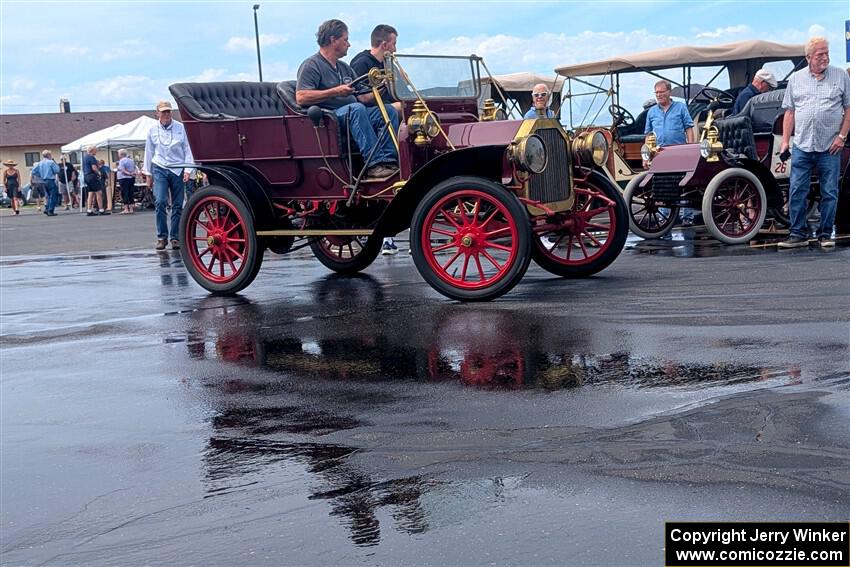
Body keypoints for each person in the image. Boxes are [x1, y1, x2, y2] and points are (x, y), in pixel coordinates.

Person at [296, 19, 399, 180]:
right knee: (356, 110)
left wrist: (385, 85)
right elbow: (301, 97)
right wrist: (335, 91)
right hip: (329, 117)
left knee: (388, 110)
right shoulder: (311, 65)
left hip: (354, 112)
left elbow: (364, 98)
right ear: (333, 40)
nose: (349, 44)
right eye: (345, 40)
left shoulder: (344, 67)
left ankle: (390, 162)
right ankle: (374, 165)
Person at [777, 37, 850, 249]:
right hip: (802, 144)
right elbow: (789, 112)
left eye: (826, 53)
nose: (825, 57)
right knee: (797, 190)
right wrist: (785, 143)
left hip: (830, 146)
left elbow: (848, 109)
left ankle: (825, 234)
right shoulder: (796, 79)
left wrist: (842, 137)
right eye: (820, 54)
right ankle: (797, 233)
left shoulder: (841, 76)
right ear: (808, 57)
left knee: (829, 191)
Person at [351, 24, 403, 254]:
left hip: (381, 110)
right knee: (393, 110)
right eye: (394, 43)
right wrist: (385, 88)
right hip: (369, 112)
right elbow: (361, 98)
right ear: (385, 44)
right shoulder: (362, 63)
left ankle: (406, 158)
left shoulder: (389, 64)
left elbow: (400, 90)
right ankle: (384, 163)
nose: (396, 47)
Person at [144, 100, 195, 250]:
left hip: (177, 168)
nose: (166, 114)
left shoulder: (181, 128)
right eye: (163, 112)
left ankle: (175, 237)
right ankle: (162, 236)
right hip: (160, 167)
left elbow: (188, 149)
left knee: (178, 204)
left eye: (168, 111)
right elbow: (149, 152)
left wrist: (188, 170)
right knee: (160, 201)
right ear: (157, 113)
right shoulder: (152, 130)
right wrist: (148, 173)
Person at [644, 80, 696, 227]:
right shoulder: (651, 112)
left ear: (669, 92)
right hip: (659, 152)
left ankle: (687, 217)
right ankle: (663, 217)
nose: (659, 95)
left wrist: (691, 148)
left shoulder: (680, 107)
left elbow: (689, 127)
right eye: (657, 93)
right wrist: (646, 154)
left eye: (662, 92)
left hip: (679, 151)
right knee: (661, 184)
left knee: (685, 184)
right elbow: (648, 134)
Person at [31, 150, 60, 216]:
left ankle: (47, 208)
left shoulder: (40, 163)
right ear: (49, 155)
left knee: (49, 195)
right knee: (53, 195)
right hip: (50, 180)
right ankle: (50, 210)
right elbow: (57, 170)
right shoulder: (51, 162)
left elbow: (33, 171)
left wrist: (40, 175)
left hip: (43, 181)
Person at [83, 145, 105, 216]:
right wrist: (99, 173)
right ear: (92, 151)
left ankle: (89, 210)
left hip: (86, 176)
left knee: (91, 193)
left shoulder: (85, 157)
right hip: (92, 176)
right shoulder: (91, 157)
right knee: (99, 192)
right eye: (96, 150)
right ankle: (101, 210)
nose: (96, 151)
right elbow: (94, 167)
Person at [116, 149, 136, 214]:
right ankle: (131, 209)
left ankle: (126, 209)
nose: (118, 155)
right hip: (131, 178)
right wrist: (132, 174)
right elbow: (134, 168)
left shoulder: (121, 161)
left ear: (121, 154)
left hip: (124, 178)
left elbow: (123, 170)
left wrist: (128, 173)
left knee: (124, 193)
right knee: (131, 193)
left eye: (118, 154)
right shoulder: (131, 160)